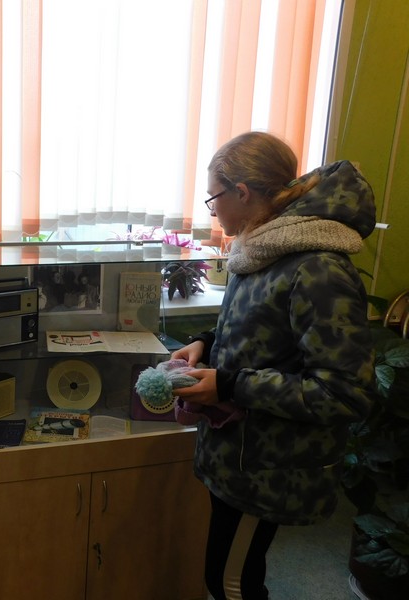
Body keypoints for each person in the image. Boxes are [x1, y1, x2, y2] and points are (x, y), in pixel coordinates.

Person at [171, 131, 377, 600]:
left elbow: (347, 392)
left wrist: (230, 385)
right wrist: (205, 343)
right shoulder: (263, 248)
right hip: (239, 456)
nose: (212, 211)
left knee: (231, 584)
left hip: (268, 468)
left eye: (213, 198)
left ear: (242, 193)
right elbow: (261, 332)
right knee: (230, 573)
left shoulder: (317, 267)